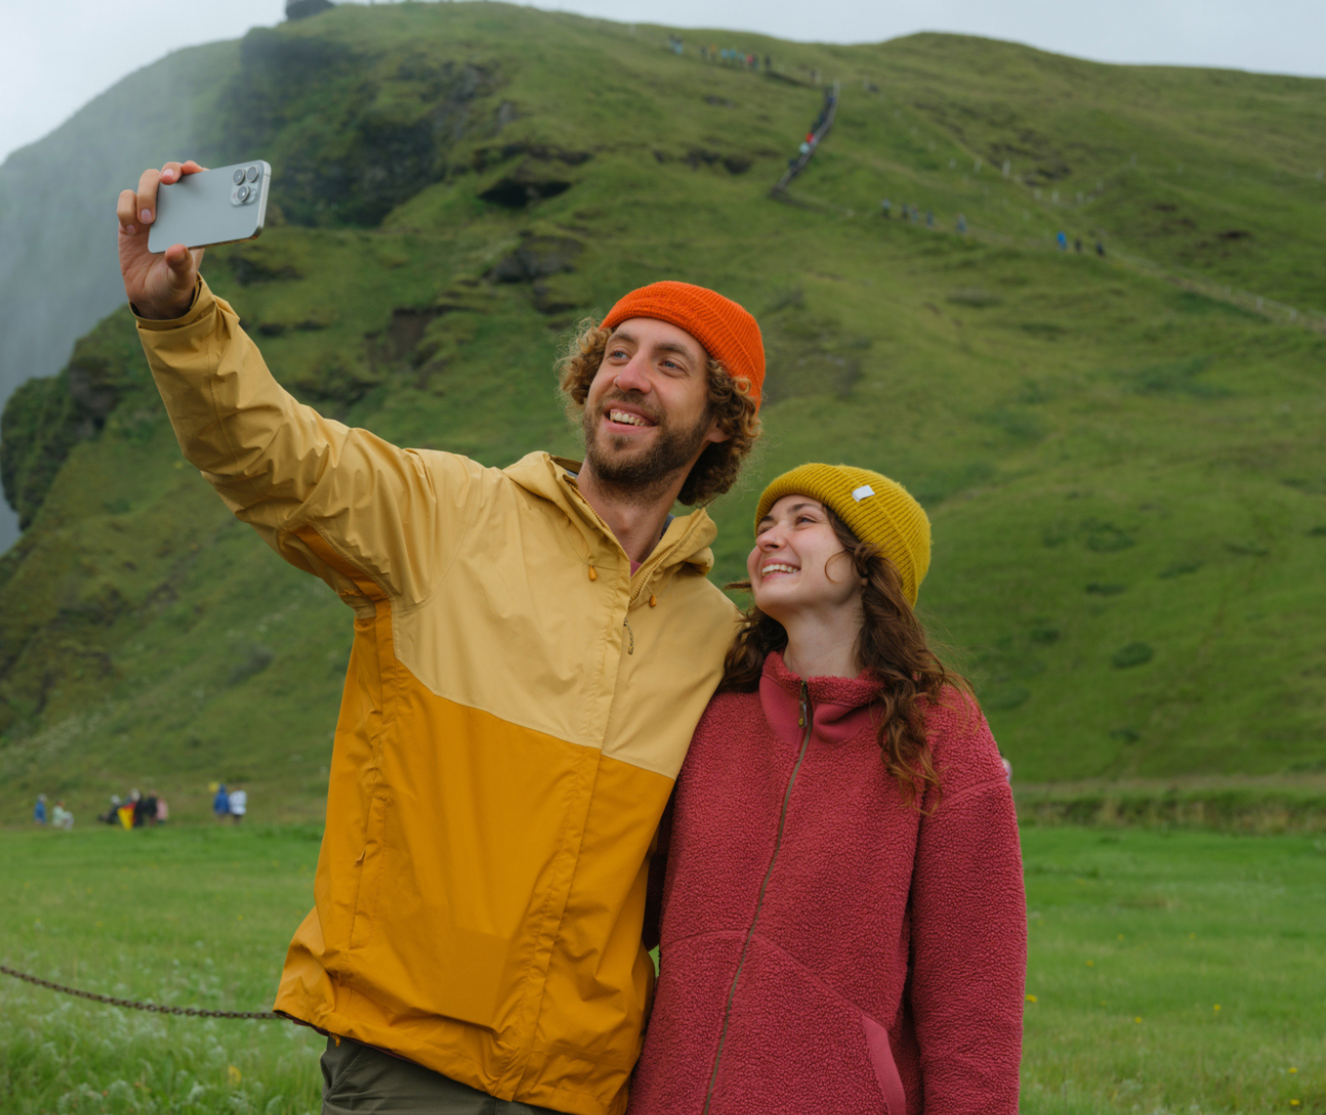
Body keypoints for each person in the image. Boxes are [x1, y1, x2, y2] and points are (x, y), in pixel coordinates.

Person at [117, 159, 764, 1115]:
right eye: (617, 353)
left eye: (672, 365)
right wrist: (180, 320)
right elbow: (274, 458)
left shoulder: (718, 638)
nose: (630, 378)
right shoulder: (447, 512)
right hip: (406, 1061)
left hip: (585, 1086)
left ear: (720, 421)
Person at [629, 465, 1025, 1114]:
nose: (769, 538)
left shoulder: (940, 730)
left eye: (802, 521)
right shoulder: (714, 710)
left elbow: (974, 991)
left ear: (872, 562)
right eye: (765, 525)